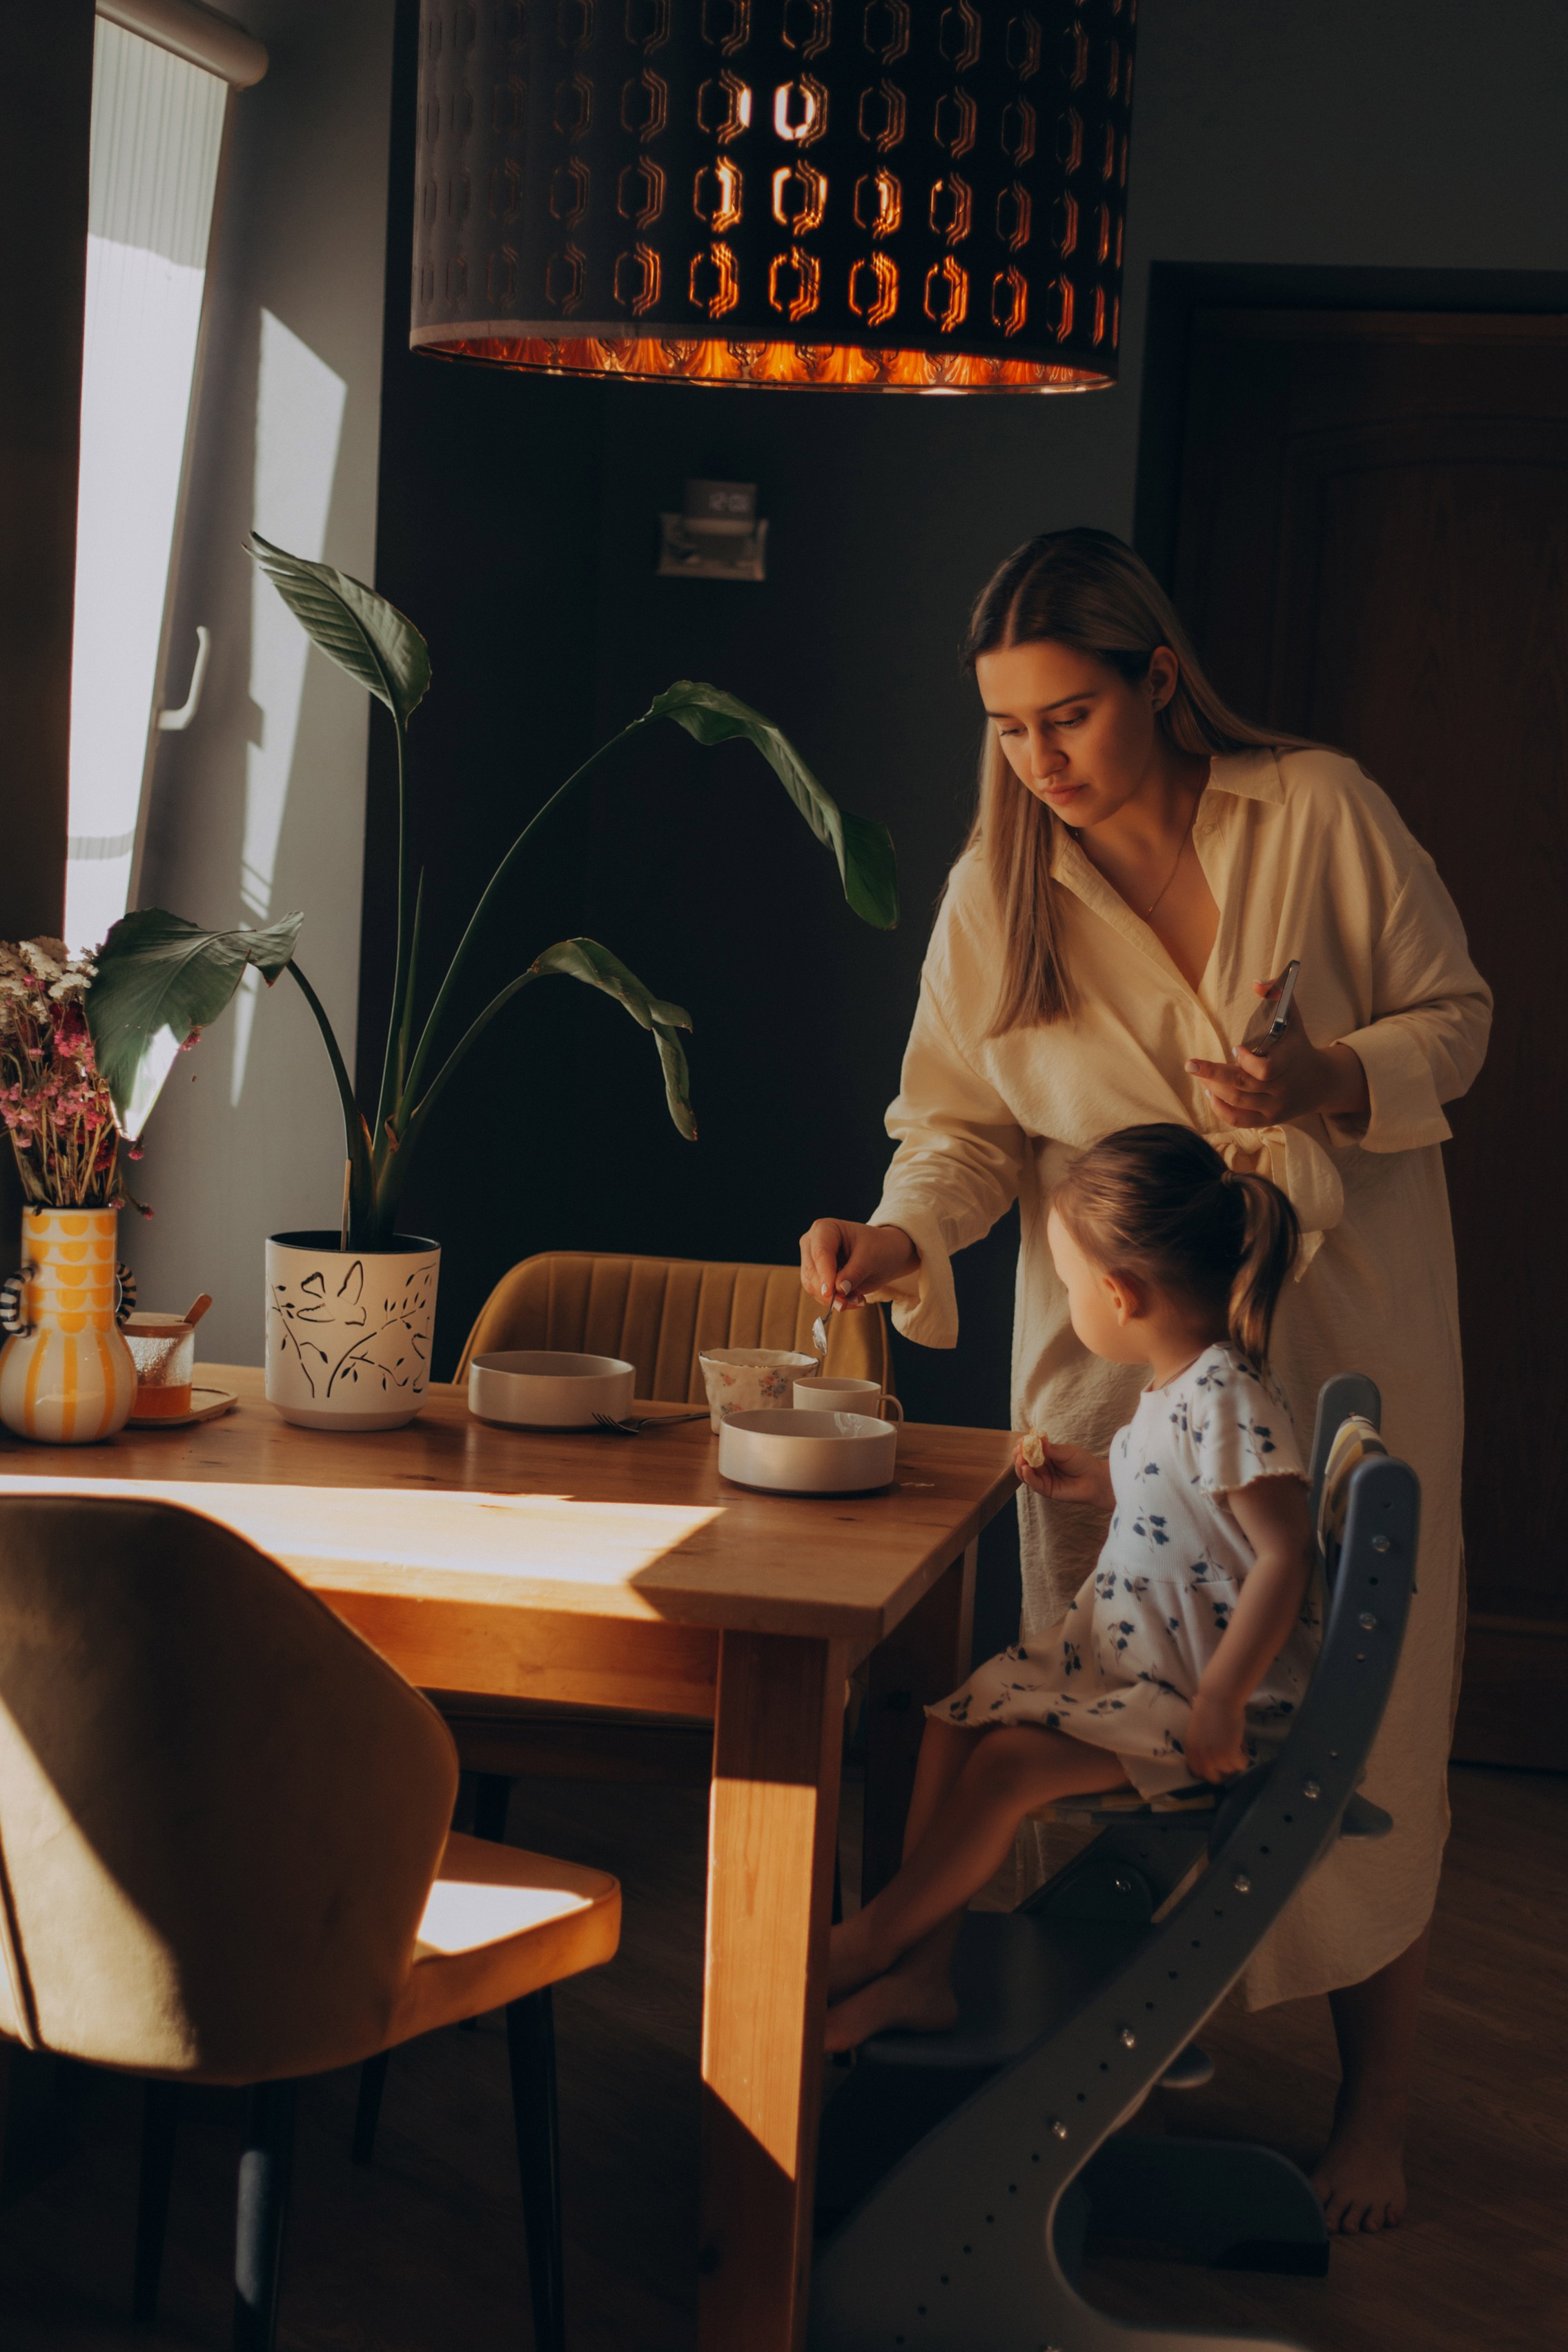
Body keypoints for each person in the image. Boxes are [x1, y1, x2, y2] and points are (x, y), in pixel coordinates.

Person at [800, 529, 1491, 2234]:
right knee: (1096, 1688)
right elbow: (954, 1126)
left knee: (1360, 1708)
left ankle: (1373, 2115)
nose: (1037, 759)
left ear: (1157, 680)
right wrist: (898, 1235)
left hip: (1338, 1324)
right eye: (1007, 729)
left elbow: (1453, 1018)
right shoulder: (999, 890)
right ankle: (1108, 2060)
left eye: (1069, 717)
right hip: (1121, 1358)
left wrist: (1323, 1075)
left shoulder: (1315, 811)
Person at [827, 1124, 1315, 2053]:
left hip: (1204, 1699)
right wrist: (1095, 1479)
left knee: (1005, 1767)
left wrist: (1222, 1701)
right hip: (1138, 1668)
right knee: (952, 1722)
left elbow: (1284, 1553)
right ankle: (920, 1978)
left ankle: (874, 1943)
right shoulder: (1178, 1385)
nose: (1067, 1298)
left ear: (1120, 1295)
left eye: (1067, 1281)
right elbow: (1183, 1497)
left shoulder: (1227, 1397)